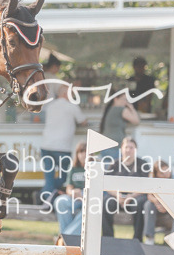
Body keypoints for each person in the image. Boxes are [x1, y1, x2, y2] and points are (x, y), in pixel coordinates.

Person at [39, 61, 87, 208]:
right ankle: (52, 196)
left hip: (46, 145)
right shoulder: (72, 106)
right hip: (62, 148)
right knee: (64, 177)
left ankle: (46, 201)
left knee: (49, 178)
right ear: (66, 93)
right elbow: (83, 121)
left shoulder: (50, 106)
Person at [102, 137, 153, 240]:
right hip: (117, 196)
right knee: (105, 202)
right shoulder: (114, 164)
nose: (128, 150)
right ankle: (108, 238)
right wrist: (117, 195)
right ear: (121, 148)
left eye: (131, 147)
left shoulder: (143, 164)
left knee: (141, 204)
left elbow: (147, 185)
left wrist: (131, 196)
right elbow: (105, 184)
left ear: (135, 149)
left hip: (135, 197)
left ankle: (137, 239)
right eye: (126, 147)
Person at [55, 141, 88, 238]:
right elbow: (69, 188)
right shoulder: (73, 167)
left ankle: (65, 237)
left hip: (88, 196)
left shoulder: (93, 168)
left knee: (88, 211)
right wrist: (73, 193)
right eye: (81, 152)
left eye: (86, 152)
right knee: (60, 201)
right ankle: (67, 237)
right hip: (75, 196)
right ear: (77, 154)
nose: (83, 155)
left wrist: (84, 196)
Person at [98, 93, 139, 163]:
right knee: (117, 171)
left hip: (105, 146)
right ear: (115, 99)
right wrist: (131, 108)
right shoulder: (120, 109)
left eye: (127, 100)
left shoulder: (110, 109)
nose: (125, 102)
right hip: (115, 147)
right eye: (123, 99)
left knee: (107, 171)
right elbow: (136, 121)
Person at [142, 160, 172, 244]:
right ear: (157, 174)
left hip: (171, 206)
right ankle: (149, 237)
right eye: (162, 173)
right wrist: (157, 202)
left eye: (167, 171)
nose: (166, 175)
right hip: (157, 206)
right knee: (148, 205)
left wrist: (166, 205)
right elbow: (149, 195)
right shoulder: (152, 179)